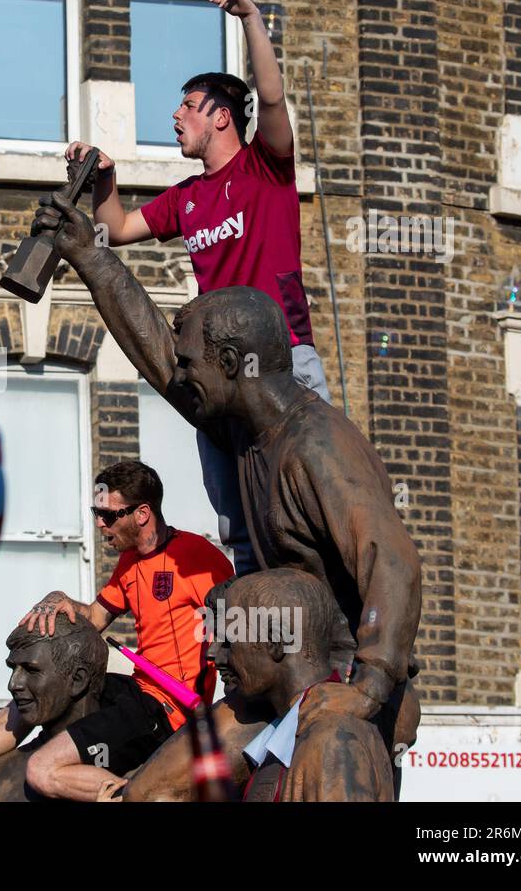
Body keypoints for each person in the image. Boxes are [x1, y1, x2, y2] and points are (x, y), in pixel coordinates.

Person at [31, 169, 422, 796]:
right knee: (147, 792)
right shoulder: (242, 426)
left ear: (236, 364)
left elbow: (393, 559)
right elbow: (162, 355)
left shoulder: (318, 444)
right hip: (269, 685)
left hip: (337, 686)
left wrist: (372, 686)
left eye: (196, 365)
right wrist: (91, 256)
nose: (183, 376)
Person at [59, 0, 328, 575]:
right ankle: (257, 608)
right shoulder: (187, 197)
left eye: (188, 104)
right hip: (222, 376)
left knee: (306, 504)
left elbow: (276, 101)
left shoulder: (266, 168)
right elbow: (116, 230)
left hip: (286, 362)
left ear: (223, 117)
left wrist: (249, 17)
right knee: (237, 515)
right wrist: (104, 176)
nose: (176, 115)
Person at [0, 459, 234, 802]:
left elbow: (230, 630)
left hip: (167, 710)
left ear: (141, 514)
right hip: (136, 688)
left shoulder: (199, 559)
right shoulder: (129, 562)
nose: (99, 524)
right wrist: (61, 598)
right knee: (38, 692)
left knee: (42, 770)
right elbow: (95, 617)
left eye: (107, 514)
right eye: (95, 512)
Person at [210, 569, 395, 801]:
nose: (215, 656)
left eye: (229, 641)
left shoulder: (332, 740)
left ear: (275, 642)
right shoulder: (291, 737)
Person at [0, 615, 109, 802]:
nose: (13, 684)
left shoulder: (140, 770)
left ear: (77, 680)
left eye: (31, 670)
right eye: (13, 669)